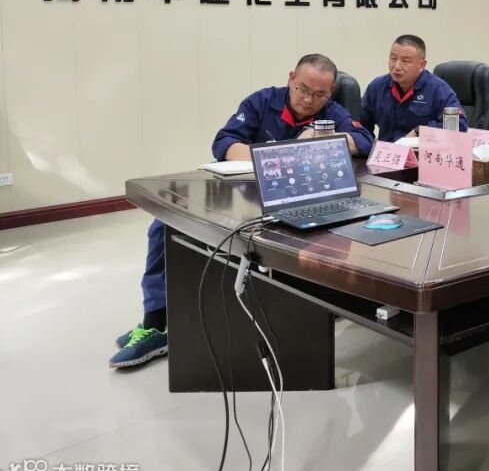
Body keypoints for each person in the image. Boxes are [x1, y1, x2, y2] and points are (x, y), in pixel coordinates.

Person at [110, 54, 374, 370]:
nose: (309, 100)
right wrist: (276, 157)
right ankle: (156, 321)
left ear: (330, 92)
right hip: (246, 196)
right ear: (291, 78)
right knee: (164, 224)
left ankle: (172, 324)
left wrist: (323, 138)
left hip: (294, 204)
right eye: (303, 89)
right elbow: (224, 143)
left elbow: (364, 140)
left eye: (319, 94)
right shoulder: (263, 101)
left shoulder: (331, 114)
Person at [356, 34, 468, 141]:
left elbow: (458, 125)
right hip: (388, 152)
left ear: (422, 65)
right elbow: (361, 125)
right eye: (393, 58)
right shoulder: (377, 87)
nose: (396, 66)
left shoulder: (438, 89)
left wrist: (420, 131)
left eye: (405, 61)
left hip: (420, 152)